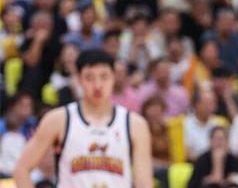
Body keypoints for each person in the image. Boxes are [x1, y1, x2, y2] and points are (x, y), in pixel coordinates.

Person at [13, 49, 153, 188]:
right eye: (89, 78)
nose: (97, 85)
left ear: (113, 77)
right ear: (79, 79)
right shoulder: (59, 119)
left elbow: (143, 182)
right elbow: (21, 169)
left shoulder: (135, 124)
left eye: (104, 77)